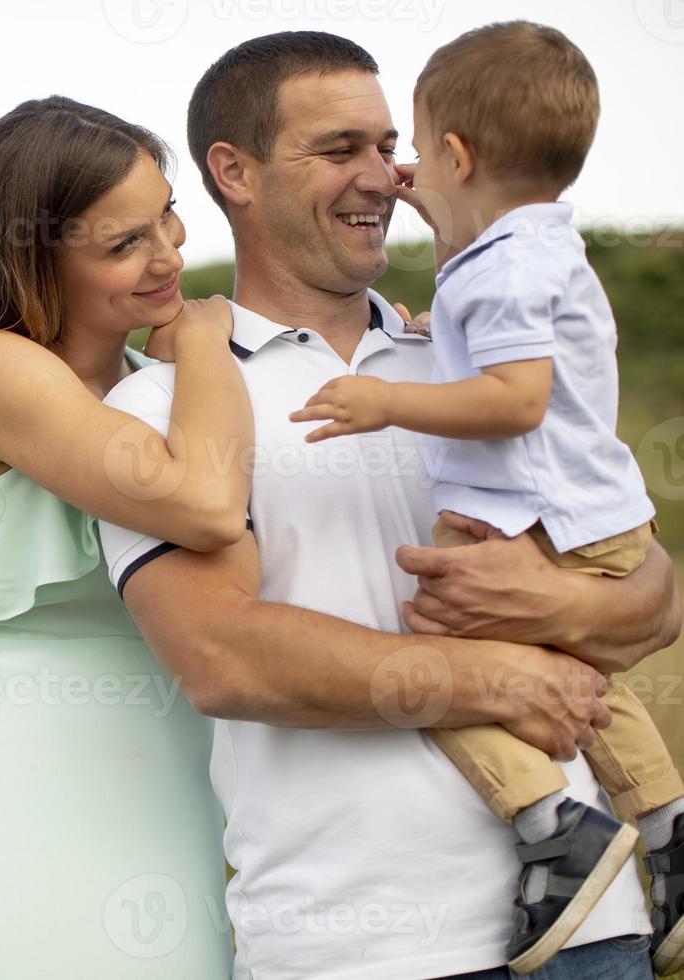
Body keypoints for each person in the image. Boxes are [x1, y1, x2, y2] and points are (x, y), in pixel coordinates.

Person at [96, 31, 684, 980]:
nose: (383, 176)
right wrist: (499, 676)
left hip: (592, 931)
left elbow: (651, 590)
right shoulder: (159, 409)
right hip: (350, 946)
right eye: (339, 151)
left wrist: (569, 611)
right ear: (233, 171)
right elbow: (222, 659)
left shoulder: (471, 362)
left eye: (385, 145)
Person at [289, 22, 684, 975]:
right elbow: (504, 347)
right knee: (568, 665)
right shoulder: (534, 245)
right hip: (599, 516)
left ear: (457, 154)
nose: (401, 172)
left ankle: (553, 821)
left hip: (547, 520)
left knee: (435, 659)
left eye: (413, 150)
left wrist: (388, 397)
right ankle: (666, 822)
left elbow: (517, 400)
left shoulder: (499, 269)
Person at [0, 95, 252, 977]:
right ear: (33, 259)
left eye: (168, 218)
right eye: (122, 244)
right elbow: (209, 505)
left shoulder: (156, 383)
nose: (168, 256)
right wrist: (211, 341)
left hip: (155, 802)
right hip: (6, 807)